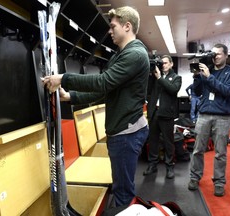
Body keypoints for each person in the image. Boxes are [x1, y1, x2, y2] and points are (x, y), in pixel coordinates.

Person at [42, 6, 150, 207]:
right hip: (121, 131)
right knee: (120, 186)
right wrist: (70, 97)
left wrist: (64, 78)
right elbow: (103, 90)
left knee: (123, 192)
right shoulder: (120, 54)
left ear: (127, 26)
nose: (110, 31)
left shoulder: (135, 54)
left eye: (113, 26)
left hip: (127, 133)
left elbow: (102, 82)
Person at [188, 43, 230, 197]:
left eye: (218, 54)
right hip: (204, 115)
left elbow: (227, 91)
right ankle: (194, 177)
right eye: (213, 54)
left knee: (220, 153)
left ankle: (219, 182)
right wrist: (197, 77)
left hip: (223, 117)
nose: (215, 56)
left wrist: (209, 77)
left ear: (226, 55)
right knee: (197, 150)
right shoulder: (205, 71)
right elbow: (196, 92)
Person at [143, 55, 182, 179]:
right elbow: (148, 90)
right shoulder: (154, 77)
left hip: (167, 114)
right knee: (153, 141)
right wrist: (151, 73)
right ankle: (152, 165)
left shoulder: (176, 78)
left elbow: (173, 89)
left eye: (165, 63)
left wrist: (160, 77)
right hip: (154, 113)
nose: (163, 65)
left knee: (168, 142)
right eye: (162, 63)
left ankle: (169, 166)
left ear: (171, 64)